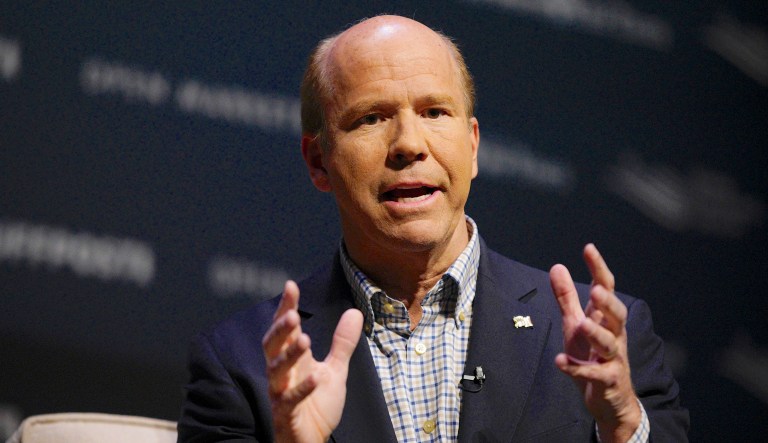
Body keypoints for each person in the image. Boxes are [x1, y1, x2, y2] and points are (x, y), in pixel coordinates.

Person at [178, 15, 688, 442]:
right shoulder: (241, 365)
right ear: (318, 161)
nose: (408, 144)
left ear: (472, 146)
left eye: (434, 112)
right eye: (372, 118)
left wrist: (623, 426)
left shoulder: (602, 341)